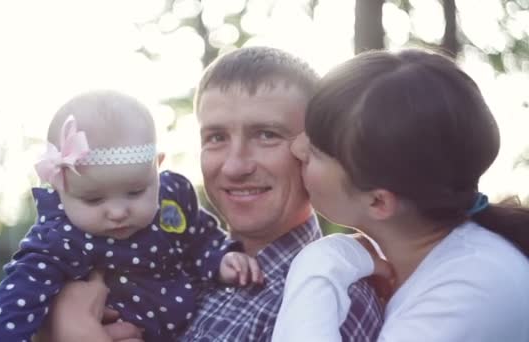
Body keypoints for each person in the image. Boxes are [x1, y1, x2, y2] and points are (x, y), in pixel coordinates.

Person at [37, 47, 384, 342]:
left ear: (312, 150)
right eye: (216, 137)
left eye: (266, 135)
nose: (235, 166)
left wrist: (79, 331)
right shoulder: (169, 265)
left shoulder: (333, 299)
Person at [272, 48, 529, 341]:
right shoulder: (416, 260)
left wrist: (319, 263)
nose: (296, 149)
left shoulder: (473, 291)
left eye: (316, 151)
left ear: (378, 201)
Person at [0, 91, 264, 342]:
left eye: (135, 192)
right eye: (94, 199)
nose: (118, 213)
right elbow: (18, 297)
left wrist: (221, 258)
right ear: (59, 186)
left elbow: (199, 236)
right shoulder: (60, 237)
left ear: (156, 166)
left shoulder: (171, 198)